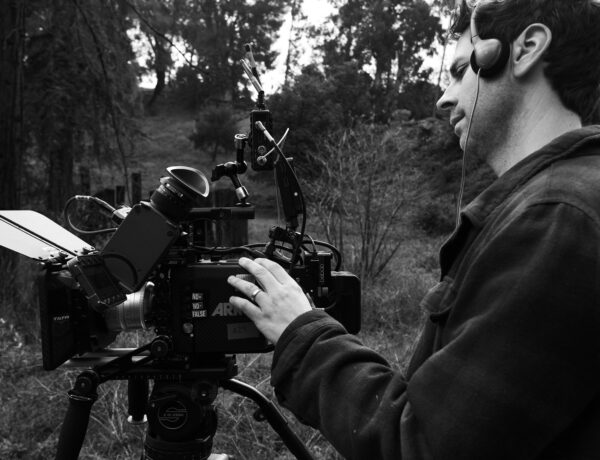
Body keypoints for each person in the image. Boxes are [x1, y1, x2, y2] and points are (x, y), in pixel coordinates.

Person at [227, 0, 600, 458]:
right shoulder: (564, 202)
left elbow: (424, 445)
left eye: (460, 71)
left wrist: (299, 332)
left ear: (526, 49)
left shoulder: (558, 217)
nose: (444, 98)